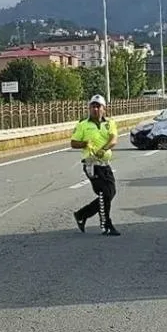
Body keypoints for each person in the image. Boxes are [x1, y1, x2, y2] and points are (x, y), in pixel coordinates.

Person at [71, 94, 120, 236]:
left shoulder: (109, 123)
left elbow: (113, 139)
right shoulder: (83, 124)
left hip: (104, 163)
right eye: (93, 106)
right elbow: (73, 143)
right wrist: (84, 143)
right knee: (104, 192)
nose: (95, 109)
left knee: (110, 192)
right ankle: (106, 225)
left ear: (104, 108)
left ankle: (82, 214)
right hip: (91, 164)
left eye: (98, 106)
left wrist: (104, 149)